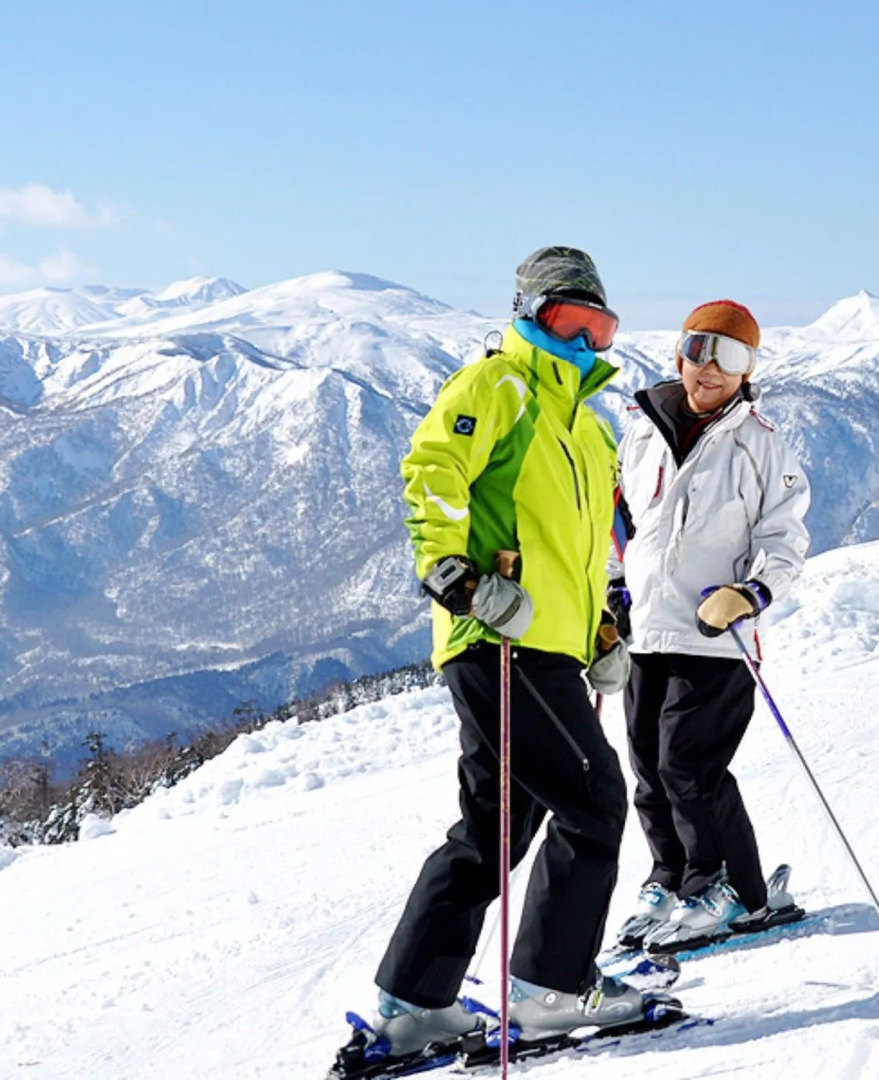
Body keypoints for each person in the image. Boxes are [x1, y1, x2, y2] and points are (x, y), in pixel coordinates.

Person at [332, 247, 642, 1075]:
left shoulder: (588, 423)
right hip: (501, 640)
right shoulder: (498, 386)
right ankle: (550, 986)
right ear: (526, 315)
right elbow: (432, 469)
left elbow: (580, 549)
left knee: (495, 826)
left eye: (597, 326)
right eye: (564, 322)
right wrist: (455, 576)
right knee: (595, 801)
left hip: (546, 644)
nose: (582, 340)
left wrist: (604, 628)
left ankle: (413, 1002)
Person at [609, 299, 811, 952]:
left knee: (688, 767)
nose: (711, 369)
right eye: (700, 349)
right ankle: (673, 880)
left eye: (732, 357)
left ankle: (720, 888)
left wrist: (751, 592)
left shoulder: (760, 442)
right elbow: (621, 521)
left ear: (749, 370)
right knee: (648, 768)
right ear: (680, 355)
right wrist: (613, 593)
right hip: (647, 631)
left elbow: (785, 537)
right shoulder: (642, 427)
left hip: (714, 634)